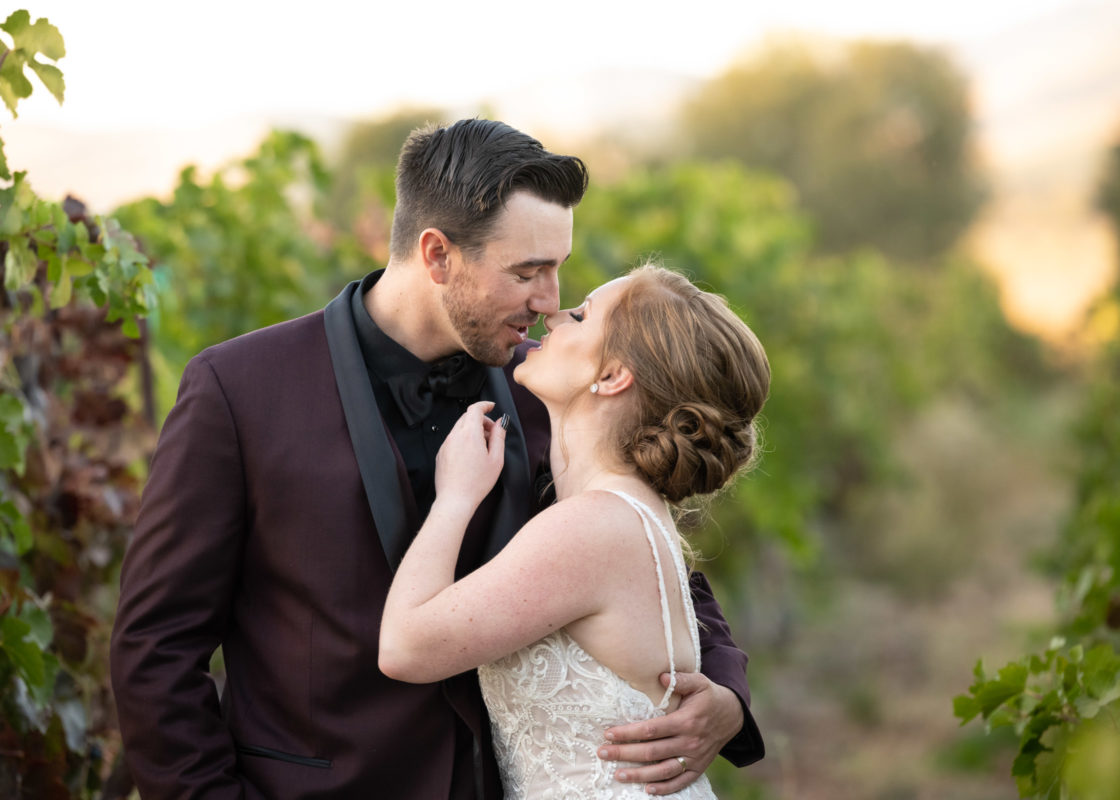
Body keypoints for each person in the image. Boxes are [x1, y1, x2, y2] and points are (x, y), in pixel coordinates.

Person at [110, 119, 764, 800]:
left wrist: (723, 694)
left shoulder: (555, 391)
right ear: (437, 255)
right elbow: (156, 648)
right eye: (527, 272)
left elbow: (650, 561)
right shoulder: (240, 391)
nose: (548, 301)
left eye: (558, 268)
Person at [379, 265, 770, 798]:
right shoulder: (627, 512)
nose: (553, 313)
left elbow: (405, 649)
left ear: (612, 377)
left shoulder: (595, 525)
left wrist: (456, 497)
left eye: (582, 314)